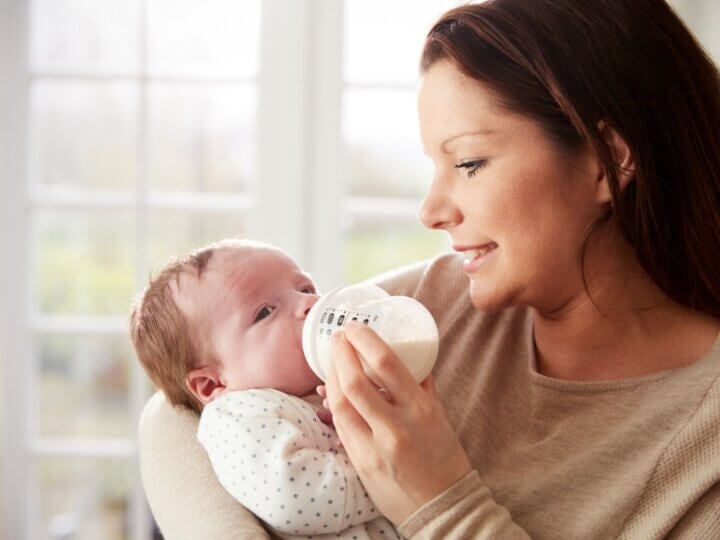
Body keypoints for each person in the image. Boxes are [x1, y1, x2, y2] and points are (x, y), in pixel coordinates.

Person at [137, 0, 720, 538]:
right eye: (433, 166)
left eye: (468, 162)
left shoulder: (703, 444)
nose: (431, 211)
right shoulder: (431, 307)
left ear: (606, 160)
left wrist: (439, 497)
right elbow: (178, 416)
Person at [130, 238, 399, 539]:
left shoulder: (337, 385)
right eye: (265, 312)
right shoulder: (237, 415)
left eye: (306, 289)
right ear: (213, 383)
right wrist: (391, 477)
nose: (309, 304)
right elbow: (293, 496)